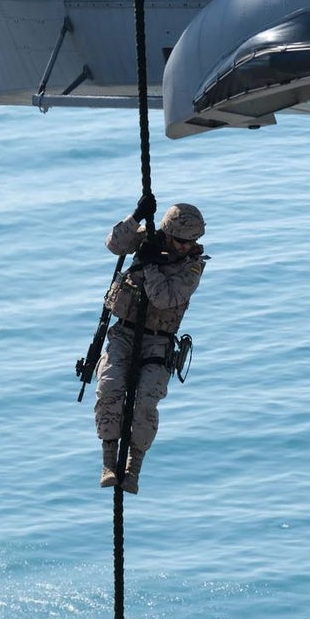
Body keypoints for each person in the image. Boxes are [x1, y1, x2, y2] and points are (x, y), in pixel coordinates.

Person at [94, 195, 207, 494]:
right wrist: (134, 218)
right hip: (124, 333)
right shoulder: (148, 239)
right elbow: (114, 244)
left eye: (190, 241)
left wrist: (150, 265)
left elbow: (164, 298)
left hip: (158, 342)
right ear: (168, 233)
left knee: (146, 400)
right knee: (109, 386)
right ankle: (108, 461)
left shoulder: (192, 268)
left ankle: (133, 467)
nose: (186, 247)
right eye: (181, 241)